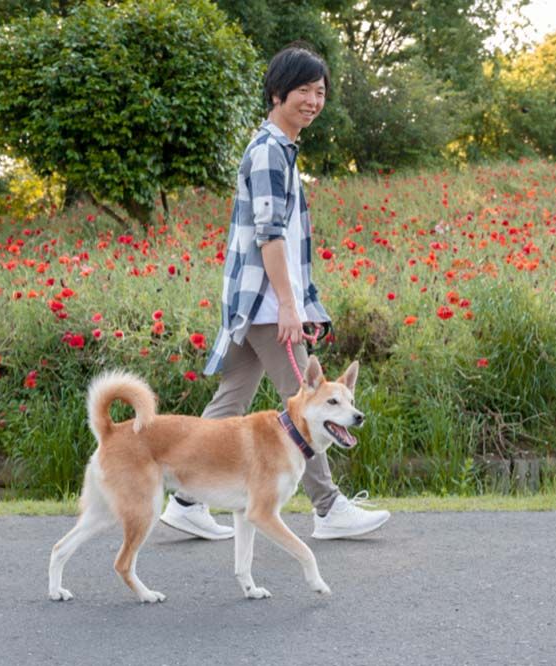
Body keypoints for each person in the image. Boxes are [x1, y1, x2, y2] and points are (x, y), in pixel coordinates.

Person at [159, 44, 390, 541]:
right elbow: (269, 234)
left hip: (256, 300)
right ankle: (328, 508)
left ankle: (184, 499)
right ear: (277, 93)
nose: (312, 100)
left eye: (319, 91)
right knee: (307, 404)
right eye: (303, 90)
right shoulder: (269, 152)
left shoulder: (281, 149)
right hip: (266, 303)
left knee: (229, 401)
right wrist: (289, 304)